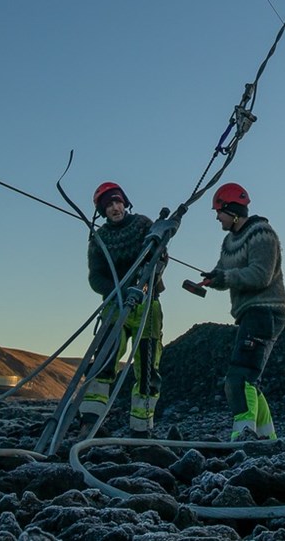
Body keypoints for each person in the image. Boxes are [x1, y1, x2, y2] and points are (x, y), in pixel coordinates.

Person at [194, 181, 285, 441]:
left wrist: (225, 278)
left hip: (265, 312)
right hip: (249, 313)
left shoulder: (262, 233)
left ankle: (243, 438)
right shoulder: (229, 241)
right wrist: (213, 279)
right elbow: (226, 273)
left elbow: (261, 275)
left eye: (218, 211)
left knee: (240, 377)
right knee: (248, 378)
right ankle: (268, 440)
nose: (216, 217)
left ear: (232, 211)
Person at [82, 180, 163, 434]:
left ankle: (142, 428)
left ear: (125, 202)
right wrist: (116, 291)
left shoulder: (143, 225)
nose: (114, 207)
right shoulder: (100, 238)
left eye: (117, 201)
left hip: (148, 306)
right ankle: (90, 421)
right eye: (108, 205)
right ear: (102, 211)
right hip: (114, 307)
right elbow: (95, 276)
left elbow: (159, 257)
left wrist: (147, 282)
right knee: (104, 360)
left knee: (148, 366)